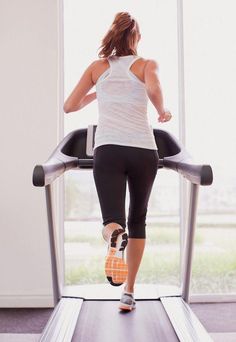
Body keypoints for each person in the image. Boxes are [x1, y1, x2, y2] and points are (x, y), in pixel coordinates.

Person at [63, 11, 172, 312]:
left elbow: (69, 106)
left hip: (108, 149)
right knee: (138, 219)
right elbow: (154, 88)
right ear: (135, 37)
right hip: (142, 149)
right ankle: (129, 292)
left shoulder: (98, 68)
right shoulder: (147, 64)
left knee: (113, 219)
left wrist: (100, 92)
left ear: (112, 35)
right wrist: (161, 111)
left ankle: (114, 235)